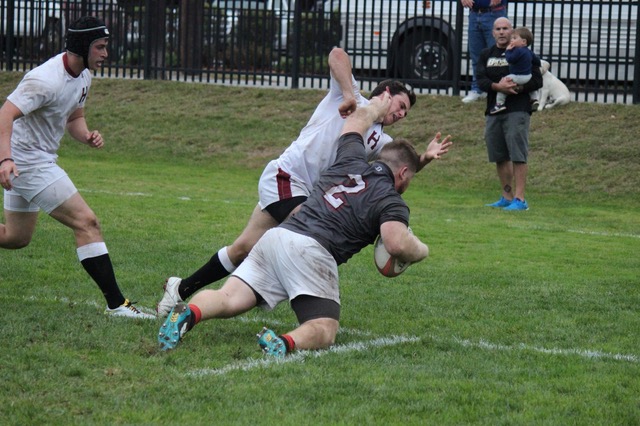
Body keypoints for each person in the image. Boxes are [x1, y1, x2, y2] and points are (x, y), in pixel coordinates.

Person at [155, 47, 452, 317]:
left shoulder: (379, 139)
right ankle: (262, 290)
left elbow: (398, 171)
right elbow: (336, 54)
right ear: (385, 93)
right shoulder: (351, 98)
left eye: (405, 113)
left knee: (243, 248)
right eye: (399, 105)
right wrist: (349, 94)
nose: (400, 114)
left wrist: (424, 158)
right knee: (308, 236)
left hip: (306, 193)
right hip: (287, 177)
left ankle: (180, 289)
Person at [158, 94, 430, 356]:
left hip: (279, 235)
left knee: (228, 297)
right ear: (403, 173)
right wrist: (422, 250)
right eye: (410, 179)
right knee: (325, 328)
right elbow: (395, 242)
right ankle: (283, 343)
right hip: (312, 250)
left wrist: (375, 109)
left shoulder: (350, 158)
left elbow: (356, 122)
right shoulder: (391, 201)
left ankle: (190, 313)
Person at [0, 17, 154, 319]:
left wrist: (86, 135)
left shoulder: (83, 75)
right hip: (27, 162)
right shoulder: (45, 79)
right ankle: (117, 304)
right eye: (100, 47)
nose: (106, 53)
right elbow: (5, 115)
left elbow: (73, 118)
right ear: (82, 47)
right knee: (87, 222)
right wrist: (5, 159)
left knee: (16, 238)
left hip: (35, 160)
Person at [476, 17, 542, 211]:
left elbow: (537, 80)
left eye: (506, 28)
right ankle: (507, 196)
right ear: (493, 32)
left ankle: (520, 200)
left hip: (517, 110)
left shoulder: (523, 52)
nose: (502, 32)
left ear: (512, 31)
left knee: (518, 154)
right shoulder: (486, 54)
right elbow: (480, 80)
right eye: (498, 29)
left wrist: (517, 89)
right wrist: (498, 86)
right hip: (493, 111)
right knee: (499, 155)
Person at [460, 0, 508, 103]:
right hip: (474, 13)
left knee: (497, 55)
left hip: (494, 13)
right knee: (476, 56)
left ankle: (498, 90)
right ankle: (477, 89)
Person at [490, 26, 540, 114]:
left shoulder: (517, 50)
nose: (511, 40)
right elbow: (536, 60)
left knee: (504, 82)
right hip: (528, 76)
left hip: (518, 76)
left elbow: (510, 59)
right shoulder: (529, 51)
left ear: (523, 42)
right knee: (531, 87)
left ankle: (499, 104)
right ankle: (534, 99)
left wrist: (508, 51)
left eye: (514, 38)